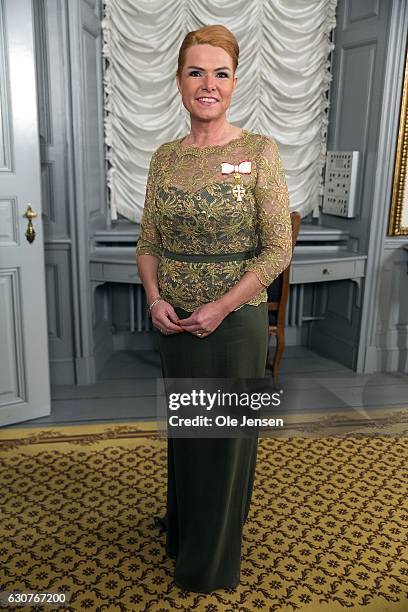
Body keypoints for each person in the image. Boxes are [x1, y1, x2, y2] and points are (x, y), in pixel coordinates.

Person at [136, 24, 292, 593]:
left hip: (234, 325)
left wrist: (220, 308)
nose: (208, 84)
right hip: (172, 322)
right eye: (196, 72)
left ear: (234, 82)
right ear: (179, 80)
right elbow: (147, 241)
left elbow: (279, 247)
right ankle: (182, 527)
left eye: (220, 73)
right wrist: (155, 301)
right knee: (187, 433)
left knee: (223, 444)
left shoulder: (258, 151)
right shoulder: (163, 157)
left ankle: (208, 563)